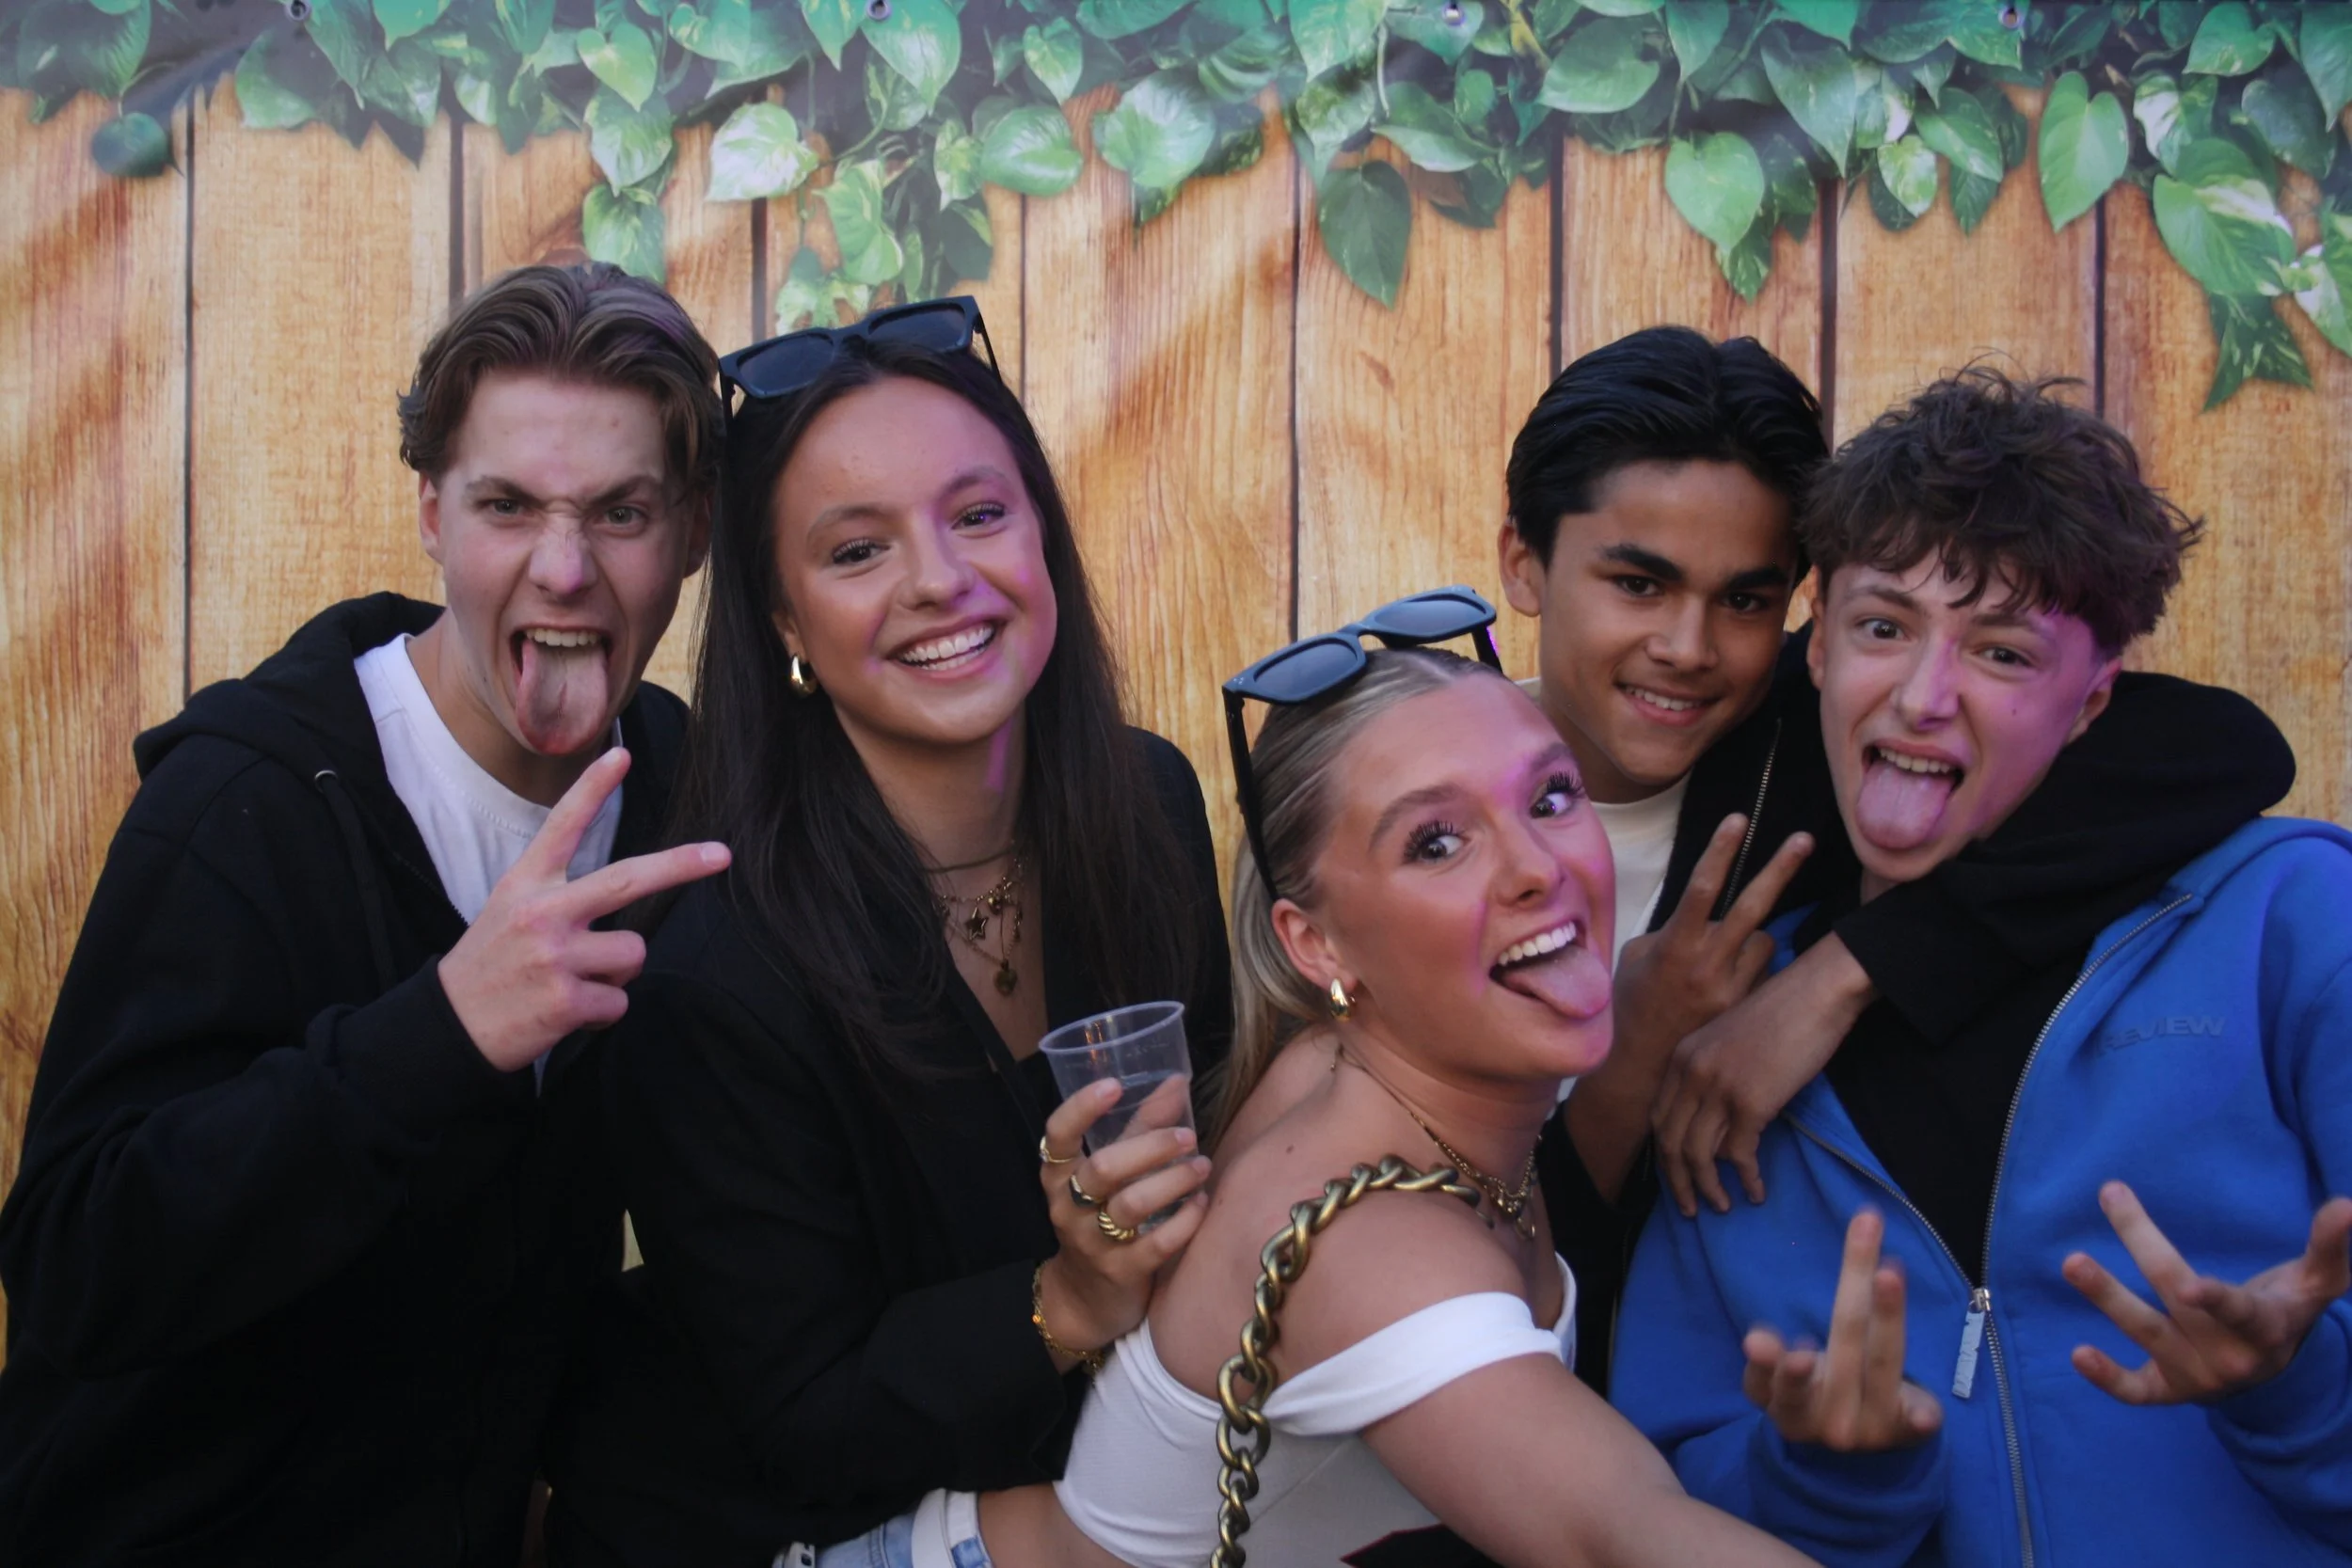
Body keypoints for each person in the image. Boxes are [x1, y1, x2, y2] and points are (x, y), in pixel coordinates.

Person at [0, 262, 731, 1566]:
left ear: (692, 534)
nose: (564, 567)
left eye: (622, 512)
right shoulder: (248, 801)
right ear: (432, 514)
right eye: (507, 505)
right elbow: (75, 1262)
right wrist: (439, 1032)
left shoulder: (688, 798)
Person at [838, 619, 1827, 1568]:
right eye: (1436, 842)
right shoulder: (1367, 1244)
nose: (1537, 866)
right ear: (1314, 944)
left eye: (1552, 795)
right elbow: (1622, 1533)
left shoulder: (1343, 1060)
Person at [1612, 369, 2352, 1567]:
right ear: (1816, 646)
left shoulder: (2294, 924)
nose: (1922, 696)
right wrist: (1830, 1478)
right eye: (1883, 626)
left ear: (2094, 700)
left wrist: (2295, 1388)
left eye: (2002, 652)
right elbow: (1675, 1478)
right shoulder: (1733, 1043)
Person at [540, 298, 1232, 1568]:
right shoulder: (711, 974)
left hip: (1091, 1492)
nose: (938, 579)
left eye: (979, 514)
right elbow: (808, 1424)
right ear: (785, 622)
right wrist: (1066, 1298)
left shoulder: (1150, 804)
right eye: (857, 550)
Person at [1490, 327, 2294, 1389]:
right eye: (1638, 584)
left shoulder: (1812, 734)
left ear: (1800, 618)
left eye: (1746, 599)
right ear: (1523, 563)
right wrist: (1633, 1058)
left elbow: (2220, 746)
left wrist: (1844, 970)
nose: (1686, 648)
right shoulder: (1421, 792)